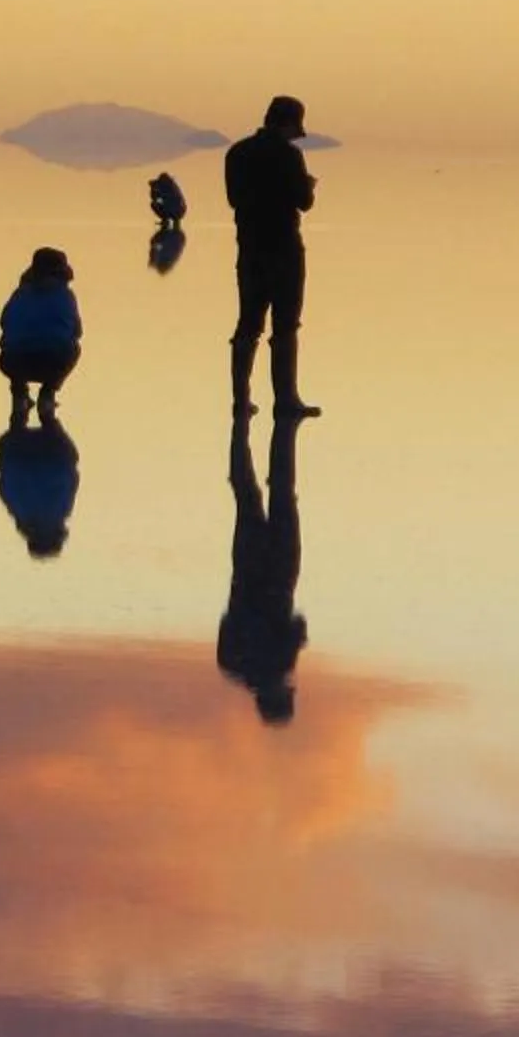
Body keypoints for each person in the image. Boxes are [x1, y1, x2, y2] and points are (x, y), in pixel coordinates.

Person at [224, 95, 319, 418]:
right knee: (286, 325)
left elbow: (234, 199)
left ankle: (241, 399)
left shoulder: (237, 153)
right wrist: (307, 185)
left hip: (249, 249)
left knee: (248, 324)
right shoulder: (290, 156)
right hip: (284, 250)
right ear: (289, 123)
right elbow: (303, 201)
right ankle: (286, 399)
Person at [217, 408, 307, 725]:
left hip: (277, 570)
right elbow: (228, 620)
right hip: (249, 570)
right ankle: (241, 429)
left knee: (280, 494)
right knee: (247, 494)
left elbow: (297, 626)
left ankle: (261, 425)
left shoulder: (277, 663)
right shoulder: (230, 665)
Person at [0, 247, 83, 418]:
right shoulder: (66, 295)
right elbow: (78, 331)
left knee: (11, 349)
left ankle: (19, 393)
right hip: (54, 360)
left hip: (15, 360)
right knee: (74, 348)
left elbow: (3, 322)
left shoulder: (20, 293)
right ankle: (48, 393)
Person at [0, 412, 79, 560]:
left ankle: (47, 414)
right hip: (19, 453)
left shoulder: (59, 512)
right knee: (12, 450)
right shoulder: (23, 514)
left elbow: (70, 481)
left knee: (66, 458)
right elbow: (4, 488)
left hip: (52, 452)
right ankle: (22, 413)